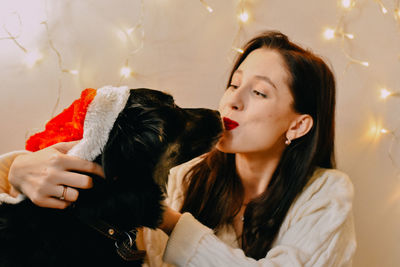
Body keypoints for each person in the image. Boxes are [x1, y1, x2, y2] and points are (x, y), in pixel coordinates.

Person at [0, 31, 356, 266]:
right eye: (234, 84)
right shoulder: (184, 175)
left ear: (298, 124)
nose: (233, 101)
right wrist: (15, 168)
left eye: (259, 92)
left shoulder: (327, 194)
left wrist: (167, 220)